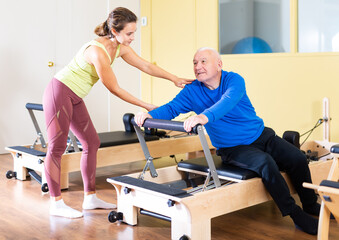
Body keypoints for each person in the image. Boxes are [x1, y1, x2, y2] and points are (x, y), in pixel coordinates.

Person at [135, 47, 322, 235]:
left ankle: (310, 204)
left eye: (203, 61)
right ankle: (295, 215)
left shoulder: (234, 80)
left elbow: (227, 102)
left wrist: (204, 117)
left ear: (219, 64)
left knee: (297, 157)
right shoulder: (191, 91)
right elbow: (171, 108)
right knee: (266, 163)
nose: (197, 66)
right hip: (233, 148)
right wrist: (149, 115)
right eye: (194, 62)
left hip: (261, 135)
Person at [42, 7, 192, 219]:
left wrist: (174, 78)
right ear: (114, 30)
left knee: (91, 143)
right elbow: (115, 88)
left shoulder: (119, 47)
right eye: (129, 34)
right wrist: (147, 105)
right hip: (59, 92)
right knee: (56, 147)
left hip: (75, 97)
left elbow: (146, 66)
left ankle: (90, 197)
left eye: (134, 33)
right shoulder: (97, 51)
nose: (132, 38)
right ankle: (55, 203)